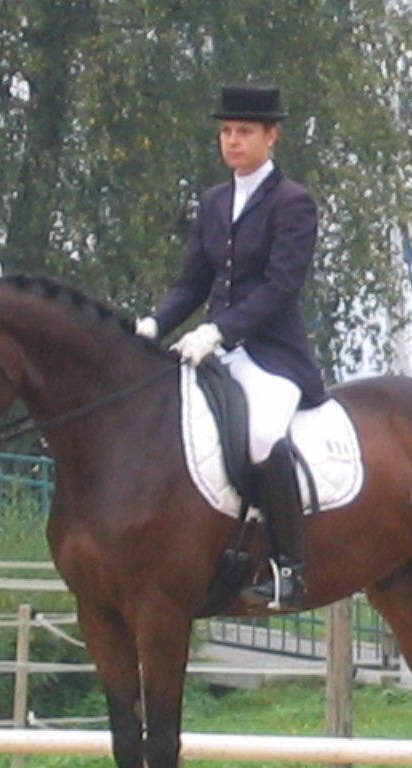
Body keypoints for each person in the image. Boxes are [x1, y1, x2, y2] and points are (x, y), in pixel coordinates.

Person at [136, 83, 326, 611]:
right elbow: (192, 283)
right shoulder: (213, 202)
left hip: (273, 356)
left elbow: (280, 288)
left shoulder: (293, 203)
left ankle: (289, 569)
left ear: (271, 136)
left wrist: (217, 330)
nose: (232, 141)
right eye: (225, 132)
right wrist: (152, 324)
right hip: (216, 350)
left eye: (244, 131)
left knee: (262, 436)